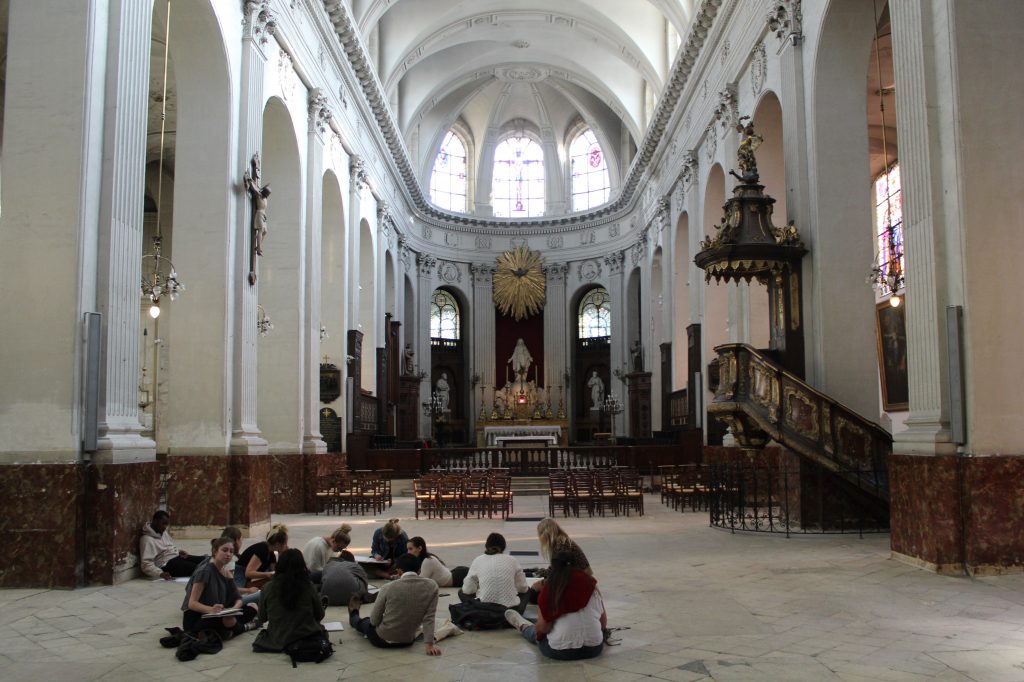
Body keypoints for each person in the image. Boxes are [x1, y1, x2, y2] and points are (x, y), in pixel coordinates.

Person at [505, 551, 606, 661]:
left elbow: (544, 628)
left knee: (536, 632)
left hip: (561, 651)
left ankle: (523, 626)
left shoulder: (550, 589)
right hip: (594, 648)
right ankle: (529, 623)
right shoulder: (591, 585)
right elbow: (603, 623)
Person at [348, 553, 441, 656]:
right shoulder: (432, 586)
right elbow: (429, 618)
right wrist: (429, 645)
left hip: (382, 639)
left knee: (365, 622)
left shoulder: (388, 587)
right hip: (407, 640)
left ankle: (354, 614)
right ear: (419, 570)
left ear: (398, 571)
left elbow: (374, 621)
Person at [181, 536, 260, 637]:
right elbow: (192, 604)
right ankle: (243, 628)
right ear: (215, 551)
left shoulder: (227, 573)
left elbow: (238, 598)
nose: (228, 554)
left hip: (219, 613)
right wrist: (211, 610)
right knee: (228, 621)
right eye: (224, 550)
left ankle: (225, 631)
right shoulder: (205, 571)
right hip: (197, 617)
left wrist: (233, 609)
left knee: (253, 607)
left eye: (231, 551)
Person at [251, 549, 325, 653]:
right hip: (305, 637)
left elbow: (262, 617)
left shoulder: (268, 587)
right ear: (302, 565)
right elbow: (320, 615)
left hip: (278, 639)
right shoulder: (308, 586)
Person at [459, 532, 530, 614]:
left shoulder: (478, 560)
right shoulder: (512, 560)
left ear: (486, 546)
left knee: (461, 592)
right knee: (527, 591)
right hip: (512, 611)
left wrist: (478, 588)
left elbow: (468, 590)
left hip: (484, 610)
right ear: (503, 547)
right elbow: (523, 588)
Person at [140, 509, 204, 579]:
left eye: (166, 524)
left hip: (177, 557)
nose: (165, 527)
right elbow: (146, 564)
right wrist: (160, 573)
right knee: (199, 568)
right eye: (163, 524)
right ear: (155, 521)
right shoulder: (147, 540)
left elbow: (168, 547)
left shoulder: (162, 531)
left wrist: (178, 551)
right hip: (167, 565)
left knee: (205, 560)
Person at [235, 524, 288, 589]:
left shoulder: (271, 553)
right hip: (240, 577)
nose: (286, 546)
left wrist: (282, 554)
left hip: (248, 579)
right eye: (285, 543)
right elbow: (248, 573)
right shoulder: (262, 550)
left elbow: (275, 572)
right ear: (277, 544)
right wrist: (267, 574)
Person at [220, 526, 260, 606]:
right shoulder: (231, 561)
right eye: (241, 540)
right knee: (261, 595)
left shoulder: (224, 559)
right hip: (230, 600)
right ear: (237, 540)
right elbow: (229, 589)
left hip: (229, 597)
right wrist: (248, 590)